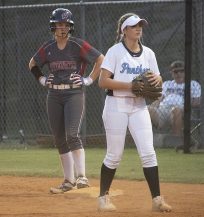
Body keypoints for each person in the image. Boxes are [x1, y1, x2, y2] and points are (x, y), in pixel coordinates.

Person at [97, 13, 172, 212]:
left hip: (139, 107)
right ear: (124, 31)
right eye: (134, 26)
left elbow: (157, 79)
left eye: (140, 25)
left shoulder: (149, 53)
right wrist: (130, 86)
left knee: (148, 153)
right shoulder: (115, 51)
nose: (138, 28)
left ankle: (157, 200)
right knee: (114, 155)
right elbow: (103, 82)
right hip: (116, 105)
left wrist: (159, 80)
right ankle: (103, 199)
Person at [28, 8, 104, 193]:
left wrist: (88, 80)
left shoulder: (77, 45)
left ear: (70, 27)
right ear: (53, 27)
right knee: (60, 138)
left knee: (72, 135)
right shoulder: (48, 48)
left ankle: (82, 176)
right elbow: (32, 64)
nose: (62, 28)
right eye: (59, 25)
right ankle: (68, 181)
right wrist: (42, 79)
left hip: (74, 94)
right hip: (53, 95)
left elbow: (101, 59)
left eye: (66, 25)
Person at [148, 60, 201, 139]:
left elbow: (196, 102)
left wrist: (185, 105)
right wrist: (151, 107)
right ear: (172, 73)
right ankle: (141, 139)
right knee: (145, 109)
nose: (179, 73)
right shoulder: (167, 84)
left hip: (182, 110)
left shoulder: (193, 84)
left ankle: (176, 140)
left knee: (176, 110)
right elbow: (159, 99)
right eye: (176, 72)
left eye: (181, 71)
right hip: (163, 109)